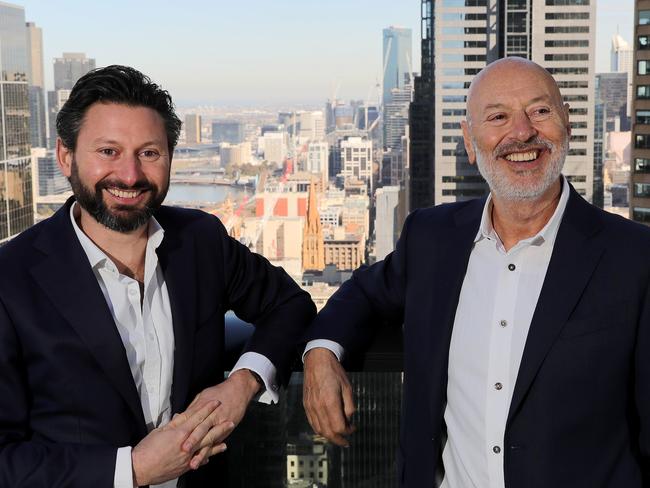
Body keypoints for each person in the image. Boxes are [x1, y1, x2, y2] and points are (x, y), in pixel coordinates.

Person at [302, 57, 650, 488]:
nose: (522, 132)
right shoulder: (431, 238)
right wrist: (320, 354)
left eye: (540, 111)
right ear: (470, 142)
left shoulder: (634, 257)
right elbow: (363, 293)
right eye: (498, 116)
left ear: (568, 125)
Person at [0, 65, 316, 487]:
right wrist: (132, 470)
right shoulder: (10, 278)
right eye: (108, 151)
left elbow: (289, 303)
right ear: (65, 157)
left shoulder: (199, 240)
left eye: (148, 153)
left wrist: (243, 382)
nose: (130, 176)